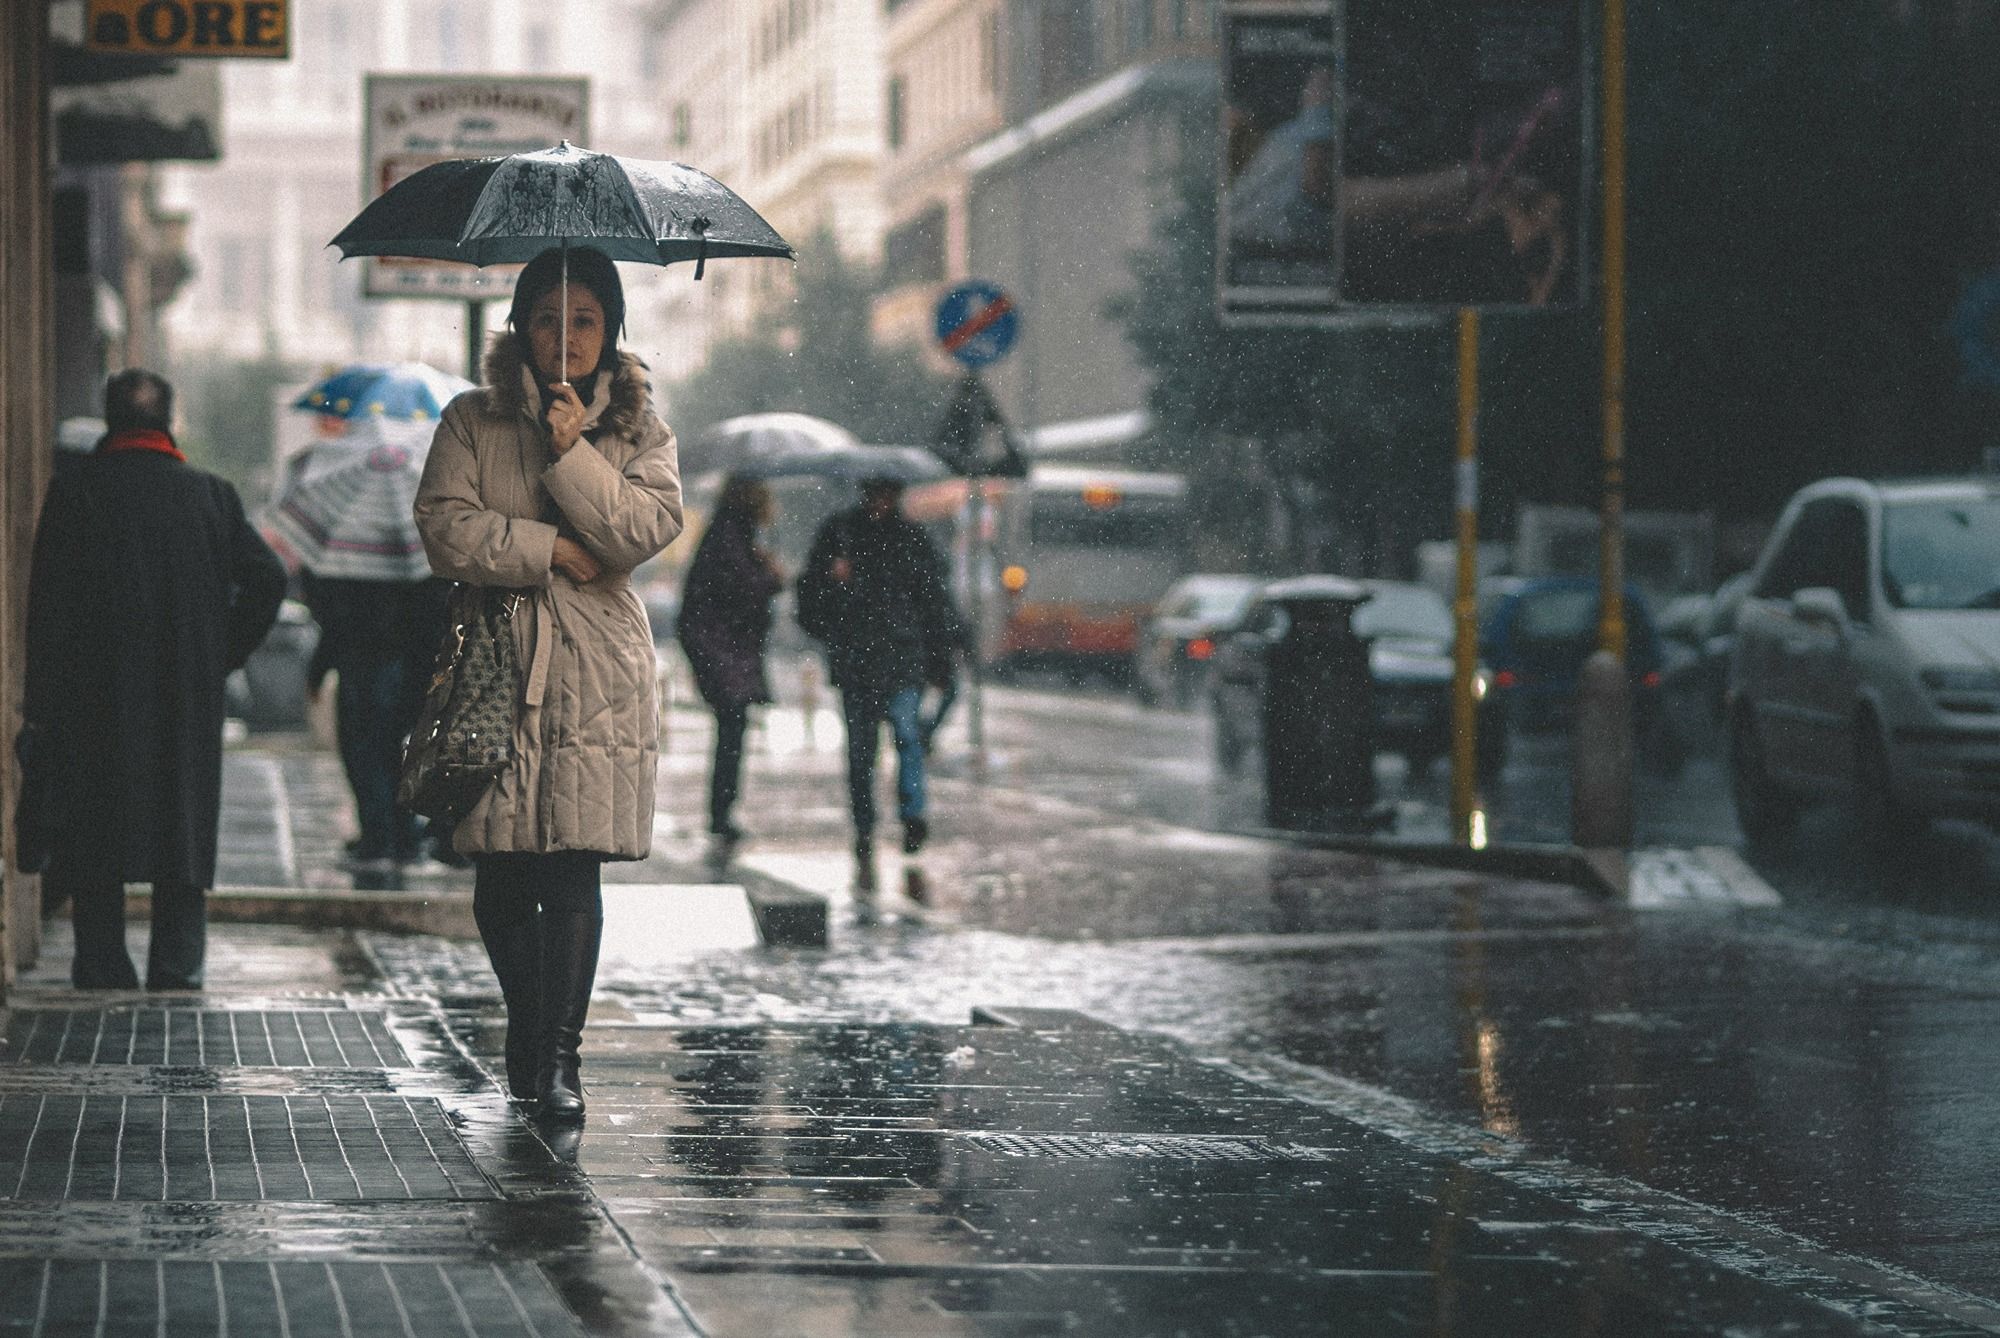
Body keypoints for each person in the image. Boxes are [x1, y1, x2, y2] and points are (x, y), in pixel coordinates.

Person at [413, 245, 682, 1119]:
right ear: (520, 328)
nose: (565, 337)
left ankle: (559, 1058)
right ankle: (529, 1024)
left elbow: (643, 531)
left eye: (585, 320)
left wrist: (574, 453)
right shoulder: (472, 420)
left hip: (596, 669)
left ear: (611, 331)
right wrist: (550, 549)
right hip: (496, 660)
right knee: (499, 872)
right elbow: (445, 528)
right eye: (547, 319)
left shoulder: (640, 430)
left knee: (571, 867)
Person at [24, 368, 286, 990]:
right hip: (184, 696)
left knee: (95, 825)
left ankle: (101, 963)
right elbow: (268, 578)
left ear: (110, 419)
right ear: (169, 421)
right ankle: (177, 965)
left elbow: (46, 605)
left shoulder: (76, 492)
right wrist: (220, 653)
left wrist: (41, 698)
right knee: (181, 825)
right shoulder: (210, 495)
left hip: (93, 696)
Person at [795, 476, 965, 883]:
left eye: (887, 494)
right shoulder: (839, 534)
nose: (881, 501)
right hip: (857, 662)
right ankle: (865, 824)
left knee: (906, 737)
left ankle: (912, 816)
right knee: (861, 751)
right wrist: (832, 583)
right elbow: (809, 600)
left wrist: (940, 658)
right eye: (876, 493)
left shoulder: (912, 539)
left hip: (902, 659)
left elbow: (934, 602)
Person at [302, 572, 452, 870]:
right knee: (392, 752)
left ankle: (378, 839)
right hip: (407, 666)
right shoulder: (416, 567)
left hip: (363, 665)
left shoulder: (353, 566)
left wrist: (317, 670)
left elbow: (337, 621)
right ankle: (401, 836)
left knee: (365, 754)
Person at [675, 476, 782, 852]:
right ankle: (721, 813)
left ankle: (722, 811)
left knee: (732, 730)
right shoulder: (730, 537)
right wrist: (770, 575)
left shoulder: (729, 534)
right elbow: (743, 590)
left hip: (724, 649)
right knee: (732, 729)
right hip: (723, 651)